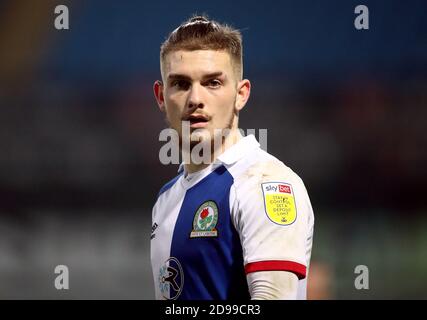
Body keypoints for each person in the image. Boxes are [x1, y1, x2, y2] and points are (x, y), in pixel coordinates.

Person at [151, 15, 314, 300]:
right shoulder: (166, 199)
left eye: (212, 82)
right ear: (161, 96)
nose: (195, 99)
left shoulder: (265, 184)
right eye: (180, 83)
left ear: (241, 94)